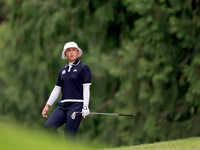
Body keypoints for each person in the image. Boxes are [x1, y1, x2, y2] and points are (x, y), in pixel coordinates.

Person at [42, 41, 91, 139]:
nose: (71, 52)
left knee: (69, 136)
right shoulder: (62, 70)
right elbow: (56, 89)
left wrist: (85, 106)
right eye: (69, 50)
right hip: (63, 106)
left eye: (74, 50)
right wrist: (47, 105)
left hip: (77, 106)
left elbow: (86, 88)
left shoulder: (84, 68)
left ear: (77, 52)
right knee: (49, 126)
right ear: (65, 54)